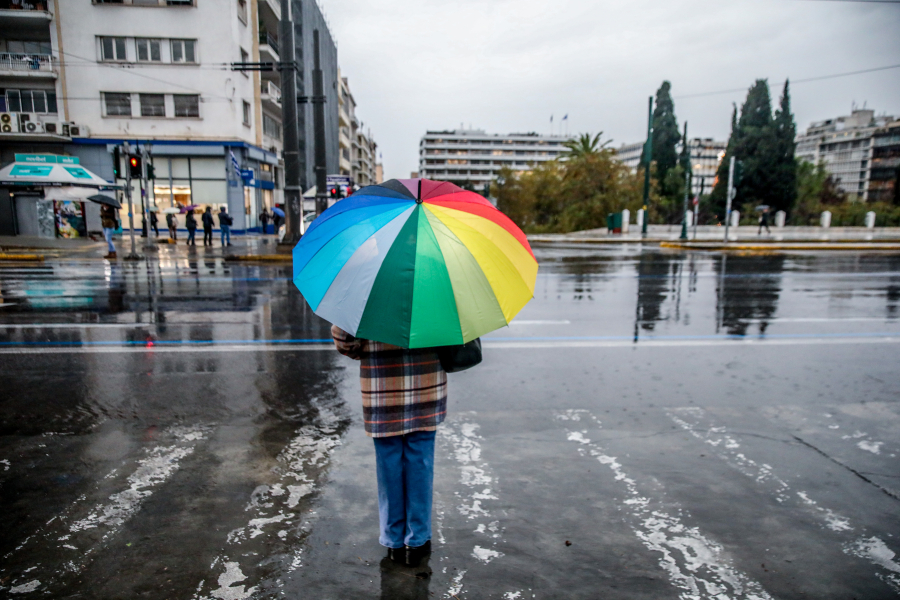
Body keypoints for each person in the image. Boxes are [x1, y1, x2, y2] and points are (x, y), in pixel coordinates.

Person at [331, 325, 446, 568]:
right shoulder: (434, 290)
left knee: (389, 465)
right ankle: (417, 539)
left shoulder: (365, 290)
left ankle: (393, 540)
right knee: (420, 463)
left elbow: (344, 341)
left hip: (382, 387)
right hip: (426, 385)